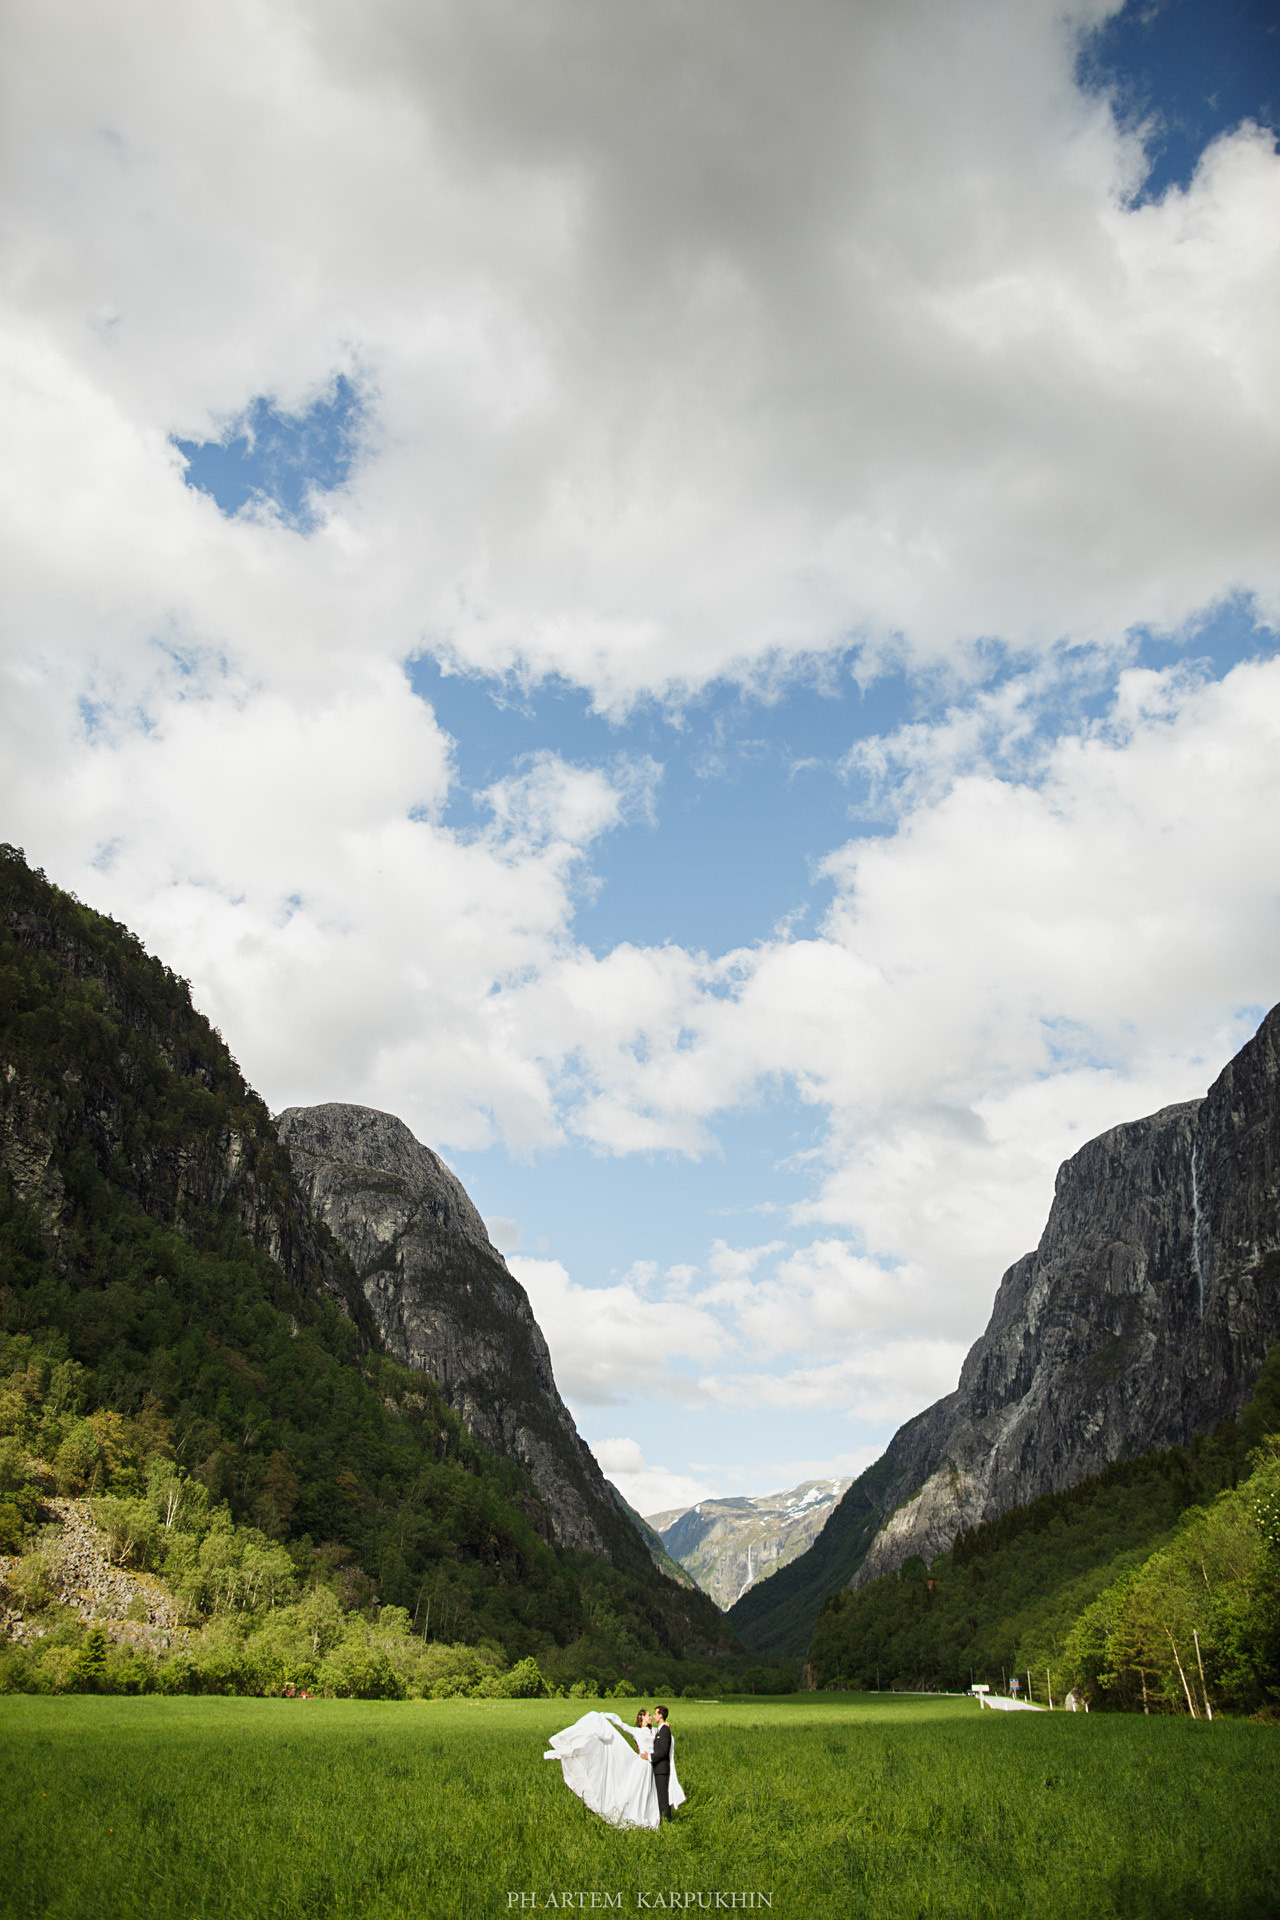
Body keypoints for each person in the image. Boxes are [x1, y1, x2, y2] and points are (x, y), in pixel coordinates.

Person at [649, 1705, 675, 1822]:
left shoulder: (664, 1731)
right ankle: (662, 1820)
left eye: (655, 1714)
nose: (654, 1716)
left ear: (660, 1715)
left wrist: (650, 1757)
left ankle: (666, 1820)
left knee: (663, 1797)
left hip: (662, 1770)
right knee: (660, 1797)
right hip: (658, 1769)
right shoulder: (661, 1729)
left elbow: (663, 1751)